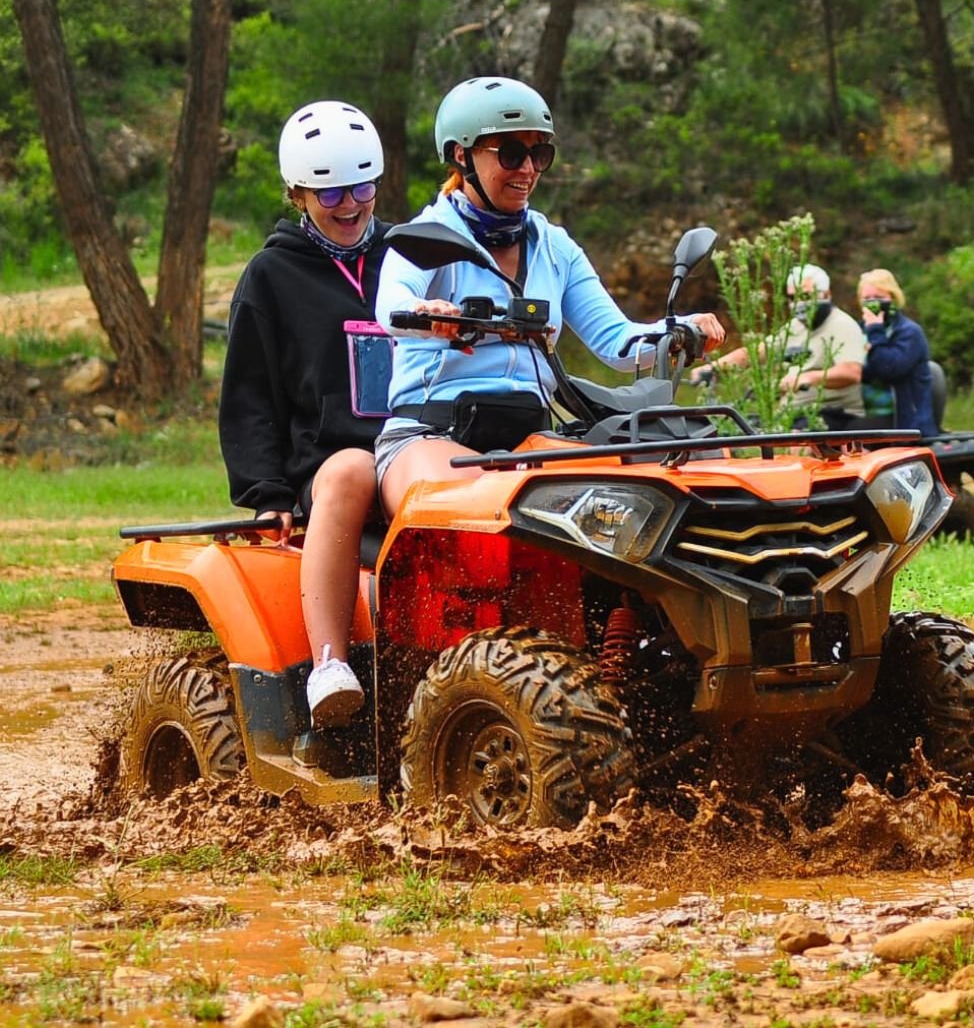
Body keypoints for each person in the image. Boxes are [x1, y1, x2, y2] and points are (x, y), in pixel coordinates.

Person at [373, 76, 726, 516]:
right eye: (511, 154)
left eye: (539, 154)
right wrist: (425, 312)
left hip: (530, 440)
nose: (528, 170)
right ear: (461, 155)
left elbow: (618, 343)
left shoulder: (555, 247)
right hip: (430, 435)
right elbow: (392, 305)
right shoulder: (429, 236)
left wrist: (681, 330)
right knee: (471, 509)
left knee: (627, 510)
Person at [219, 100, 392, 731]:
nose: (350, 206)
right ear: (297, 194)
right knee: (352, 469)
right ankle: (329, 665)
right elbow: (249, 395)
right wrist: (266, 493)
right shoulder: (271, 275)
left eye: (362, 189)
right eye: (331, 194)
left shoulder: (407, 259)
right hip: (325, 464)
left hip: (414, 445)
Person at [694, 262, 865, 427]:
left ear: (826, 295)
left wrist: (806, 378)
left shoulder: (842, 325)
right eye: (793, 298)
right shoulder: (796, 326)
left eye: (806, 296)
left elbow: (851, 372)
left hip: (831, 413)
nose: (799, 303)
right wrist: (713, 368)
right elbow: (756, 353)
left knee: (793, 439)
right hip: (791, 413)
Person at [858, 268, 940, 436]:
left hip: (903, 421)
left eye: (879, 297)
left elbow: (889, 369)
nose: (872, 303)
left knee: (851, 435)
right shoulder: (858, 331)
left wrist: (875, 330)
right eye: (867, 298)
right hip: (863, 412)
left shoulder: (909, 333)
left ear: (893, 298)